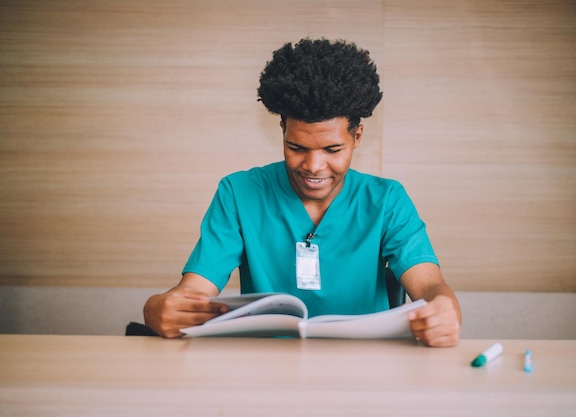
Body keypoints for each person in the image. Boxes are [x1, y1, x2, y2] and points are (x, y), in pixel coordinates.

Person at [143, 38, 462, 347]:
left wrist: (445, 308)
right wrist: (159, 309)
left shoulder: (386, 201)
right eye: (296, 147)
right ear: (282, 130)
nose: (314, 166)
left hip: (367, 369)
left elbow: (430, 285)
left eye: (332, 149)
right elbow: (193, 292)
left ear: (357, 136)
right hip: (267, 368)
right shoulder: (238, 193)